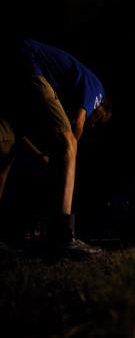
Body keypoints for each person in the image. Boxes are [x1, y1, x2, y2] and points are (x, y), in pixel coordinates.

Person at [0, 37, 112, 256]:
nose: (93, 124)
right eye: (97, 120)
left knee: (5, 146)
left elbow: (23, 134)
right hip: (27, 58)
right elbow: (78, 122)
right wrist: (66, 155)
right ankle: (64, 234)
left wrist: (43, 156)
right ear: (102, 106)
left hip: (11, 63)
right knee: (70, 140)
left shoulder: (58, 86)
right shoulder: (97, 90)